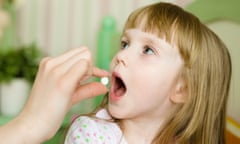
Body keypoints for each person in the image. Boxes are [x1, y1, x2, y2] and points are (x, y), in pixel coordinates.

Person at [0, 2, 232, 144]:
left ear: (182, 88)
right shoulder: (91, 134)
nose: (120, 55)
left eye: (148, 50)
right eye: (124, 44)